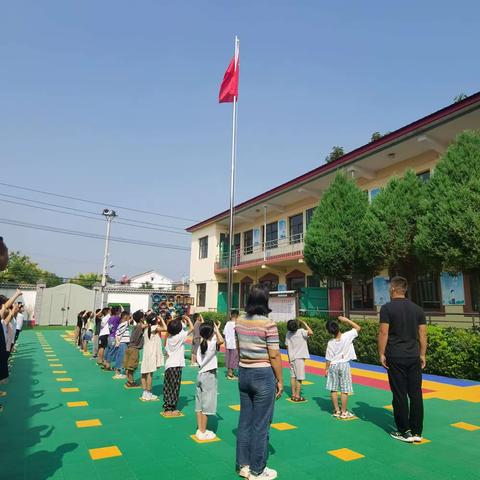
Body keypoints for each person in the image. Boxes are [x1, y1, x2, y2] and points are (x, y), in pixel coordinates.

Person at [235, 284, 283, 480]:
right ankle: (257, 470)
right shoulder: (268, 324)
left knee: (245, 422)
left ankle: (243, 465)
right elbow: (274, 355)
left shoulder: (239, 321)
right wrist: (280, 379)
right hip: (263, 374)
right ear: (265, 300)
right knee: (261, 424)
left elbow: (238, 347)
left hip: (244, 372)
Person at [378, 276, 427, 443]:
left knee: (399, 394)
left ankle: (404, 431)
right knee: (415, 394)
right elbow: (422, 334)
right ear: (404, 290)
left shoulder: (387, 308)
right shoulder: (418, 309)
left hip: (396, 356)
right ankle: (417, 431)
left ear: (393, 289)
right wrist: (422, 354)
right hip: (414, 356)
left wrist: (381, 353)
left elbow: (384, 332)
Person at [325, 316, 361, 419]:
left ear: (329, 332)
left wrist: (326, 369)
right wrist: (347, 320)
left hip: (333, 365)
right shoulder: (347, 336)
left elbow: (328, 358)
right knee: (344, 389)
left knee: (333, 389)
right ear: (338, 327)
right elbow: (358, 328)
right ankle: (344, 412)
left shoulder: (330, 342)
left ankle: (337, 410)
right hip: (344, 364)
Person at [195, 321, 224, 440]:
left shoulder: (201, 345)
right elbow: (221, 341)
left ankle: (200, 429)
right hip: (209, 376)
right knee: (207, 405)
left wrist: (215, 329)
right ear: (212, 333)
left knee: (199, 403)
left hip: (200, 374)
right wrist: (217, 329)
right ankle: (202, 431)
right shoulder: (212, 344)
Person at [163, 315, 194, 416]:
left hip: (168, 365)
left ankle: (167, 406)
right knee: (175, 387)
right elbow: (192, 328)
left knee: (168, 386)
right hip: (176, 365)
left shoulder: (169, 338)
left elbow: (167, 353)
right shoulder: (180, 337)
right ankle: (172, 408)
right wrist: (188, 319)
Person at [140, 312, 167, 401]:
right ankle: (149, 392)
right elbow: (165, 328)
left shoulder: (146, 327)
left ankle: (145, 392)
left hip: (146, 352)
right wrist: (162, 320)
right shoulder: (154, 327)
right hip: (151, 352)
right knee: (150, 373)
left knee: (144, 372)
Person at [286, 319, 313, 402]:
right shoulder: (301, 331)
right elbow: (311, 332)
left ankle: (293, 394)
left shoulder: (288, 334)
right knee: (299, 378)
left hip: (292, 357)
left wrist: (289, 357)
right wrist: (304, 323)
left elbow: (287, 346)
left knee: (293, 376)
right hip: (299, 358)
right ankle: (297, 396)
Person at [124, 310, 146, 388]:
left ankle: (129, 381)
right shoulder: (139, 326)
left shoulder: (135, 326)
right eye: (143, 317)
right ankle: (131, 382)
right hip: (134, 349)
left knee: (128, 366)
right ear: (141, 319)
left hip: (129, 348)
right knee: (132, 367)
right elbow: (147, 325)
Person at [113, 311, 131, 379]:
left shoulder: (121, 324)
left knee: (121, 357)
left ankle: (119, 371)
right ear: (126, 317)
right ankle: (117, 373)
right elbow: (130, 318)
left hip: (122, 343)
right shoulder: (124, 324)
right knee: (121, 357)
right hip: (123, 343)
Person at [103, 306, 121, 371]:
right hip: (113, 336)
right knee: (112, 351)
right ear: (117, 311)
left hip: (109, 336)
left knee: (107, 350)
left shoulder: (110, 318)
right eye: (119, 311)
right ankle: (108, 365)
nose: (120, 312)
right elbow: (123, 320)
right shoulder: (117, 318)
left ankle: (105, 363)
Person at [223, 309, 240, 379]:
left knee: (229, 358)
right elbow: (238, 335)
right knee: (234, 359)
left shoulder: (227, 323)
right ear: (237, 316)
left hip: (228, 343)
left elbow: (224, 333)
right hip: (234, 344)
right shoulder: (236, 324)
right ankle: (230, 374)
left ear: (231, 315)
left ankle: (229, 372)